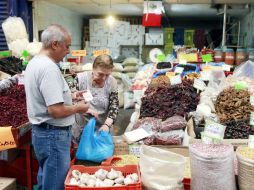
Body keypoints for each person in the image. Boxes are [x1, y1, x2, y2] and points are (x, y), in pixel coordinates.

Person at [24, 24, 89, 190]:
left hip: (42, 133)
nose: (68, 51)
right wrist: (78, 108)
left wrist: (71, 97)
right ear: (55, 44)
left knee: (46, 178)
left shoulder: (34, 63)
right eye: (66, 46)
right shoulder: (48, 68)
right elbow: (55, 110)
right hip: (53, 135)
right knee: (56, 184)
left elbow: (45, 97)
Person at [72, 54, 119, 144]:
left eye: (107, 75)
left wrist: (107, 125)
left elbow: (114, 106)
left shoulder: (112, 82)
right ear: (93, 69)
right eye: (100, 74)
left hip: (103, 130)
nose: (104, 78)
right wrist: (85, 109)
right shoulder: (80, 79)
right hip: (82, 129)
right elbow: (70, 100)